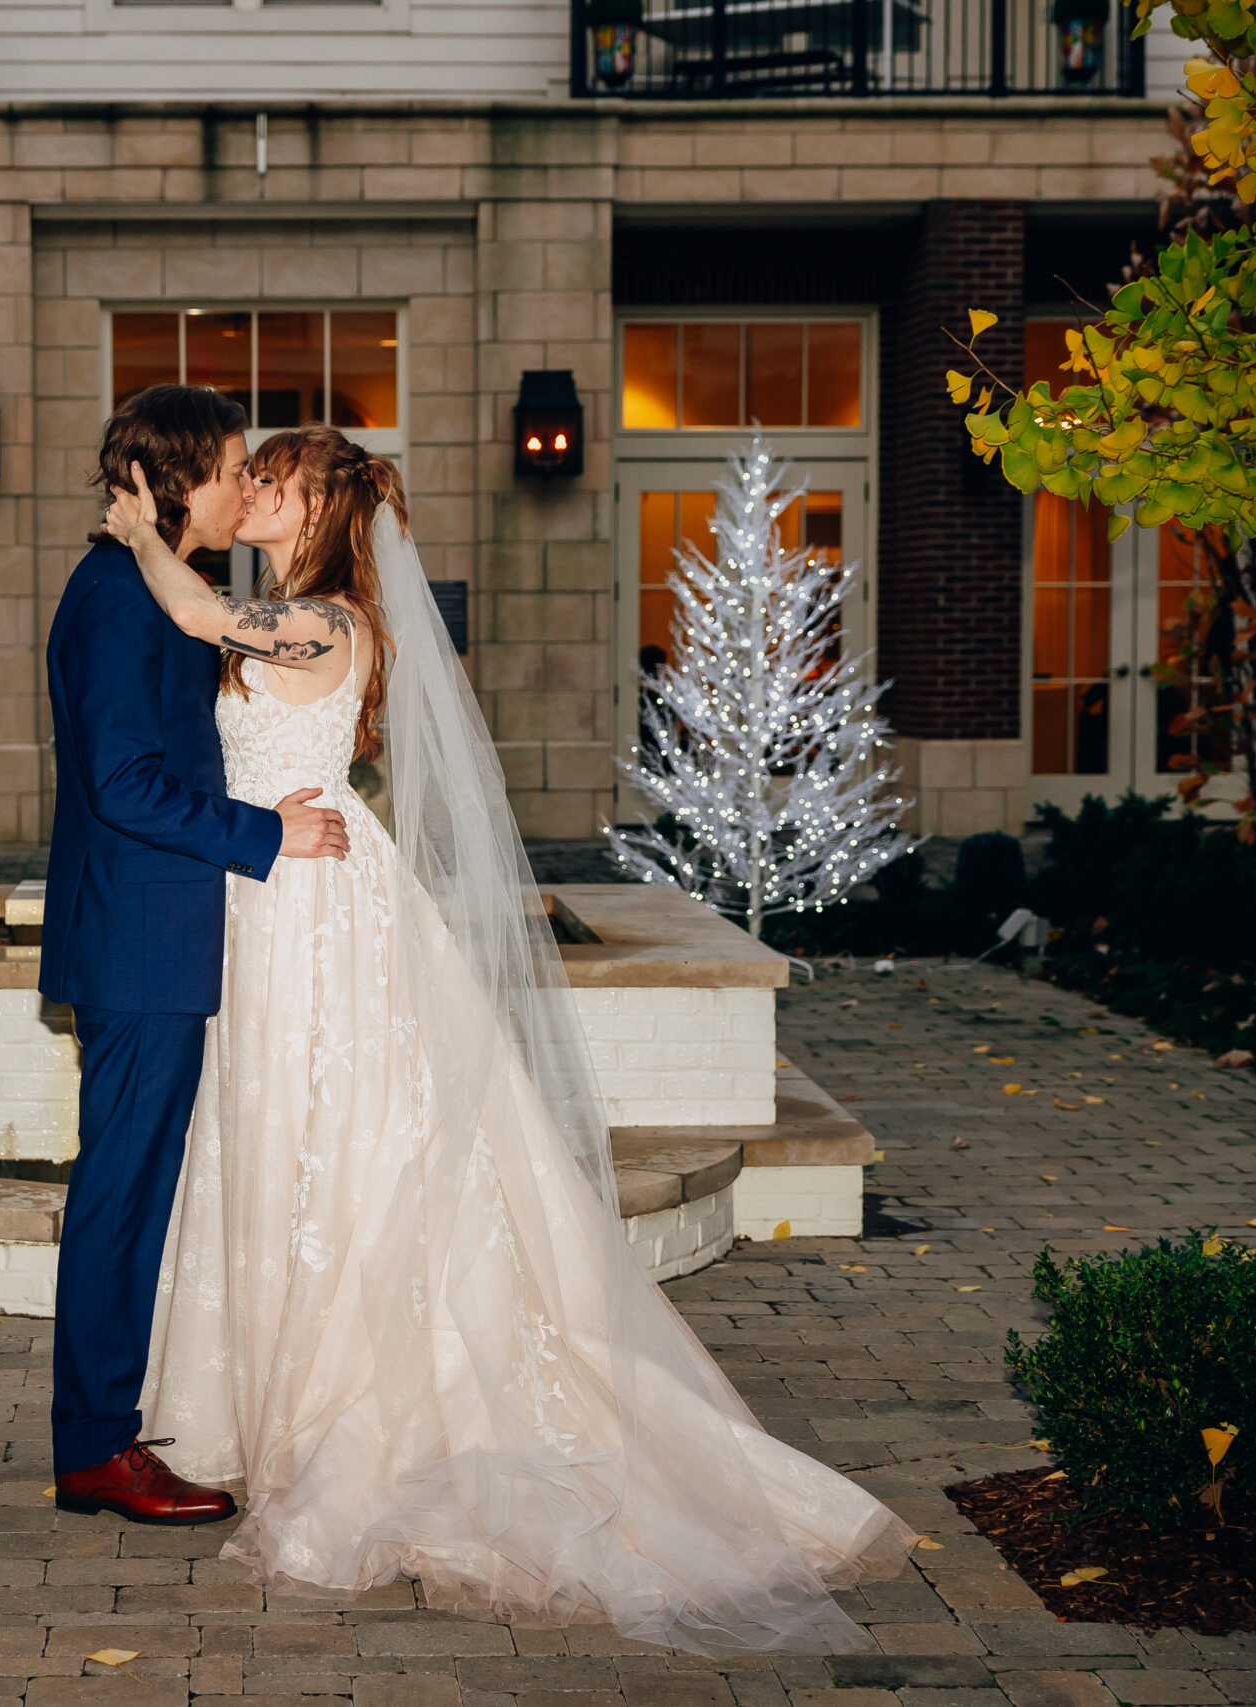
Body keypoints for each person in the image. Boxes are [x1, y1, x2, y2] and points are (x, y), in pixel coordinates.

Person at [98, 425, 917, 1655]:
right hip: (267, 894)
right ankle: (273, 1401)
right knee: (276, 1130)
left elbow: (203, 619)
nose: (257, 488)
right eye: (253, 473)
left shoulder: (326, 622)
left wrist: (140, 533)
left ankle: (367, 1412)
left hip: (321, 909)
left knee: (353, 1131)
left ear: (323, 508)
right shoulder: (291, 607)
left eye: (277, 477)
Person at [40, 386, 352, 1527]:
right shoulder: (116, 600)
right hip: (138, 942)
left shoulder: (157, 590)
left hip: (163, 938)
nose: (243, 488)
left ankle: (109, 1433)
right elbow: (123, 787)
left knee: (139, 1192)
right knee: (119, 1197)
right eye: (231, 467)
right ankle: (96, 1450)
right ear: (181, 480)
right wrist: (265, 834)